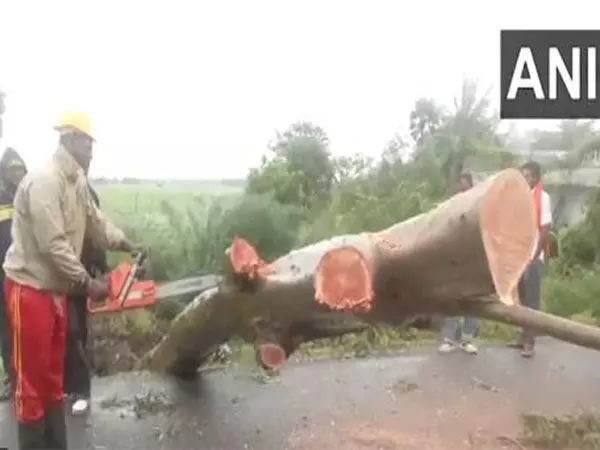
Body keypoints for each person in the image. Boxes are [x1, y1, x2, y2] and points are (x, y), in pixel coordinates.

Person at [3, 112, 143, 450]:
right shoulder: (44, 182)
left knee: (53, 380)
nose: (92, 153)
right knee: (30, 386)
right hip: (30, 291)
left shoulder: (76, 181)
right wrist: (86, 283)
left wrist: (126, 243)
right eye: (88, 145)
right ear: (71, 141)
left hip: (55, 292)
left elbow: (96, 223)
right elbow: (54, 246)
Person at [64, 183, 108, 416]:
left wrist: (102, 268)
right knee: (69, 332)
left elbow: (98, 237)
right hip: (64, 276)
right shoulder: (59, 201)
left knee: (78, 331)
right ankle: (74, 387)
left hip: (83, 277)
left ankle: (78, 388)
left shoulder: (88, 195)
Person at [510, 160, 552, 358]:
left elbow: (545, 229)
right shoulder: (522, 198)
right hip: (520, 255)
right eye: (523, 175)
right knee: (522, 299)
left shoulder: (543, 198)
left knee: (532, 301)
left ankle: (530, 343)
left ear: (535, 178)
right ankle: (522, 337)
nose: (524, 179)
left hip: (532, 258)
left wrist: (534, 255)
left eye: (527, 176)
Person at [438, 172, 478, 355]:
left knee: (473, 300)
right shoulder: (451, 204)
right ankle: (449, 339)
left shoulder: (478, 204)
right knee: (451, 300)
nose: (462, 186)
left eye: (465, 183)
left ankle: (467, 339)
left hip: (472, 259)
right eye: (460, 183)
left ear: (471, 185)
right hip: (453, 258)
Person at [0, 147, 27, 401]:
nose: (16, 174)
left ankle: (31, 379)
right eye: (11, 170)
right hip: (2, 275)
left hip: (27, 273)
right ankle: (12, 377)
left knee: (29, 328)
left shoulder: (29, 195)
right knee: (6, 329)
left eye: (19, 169)